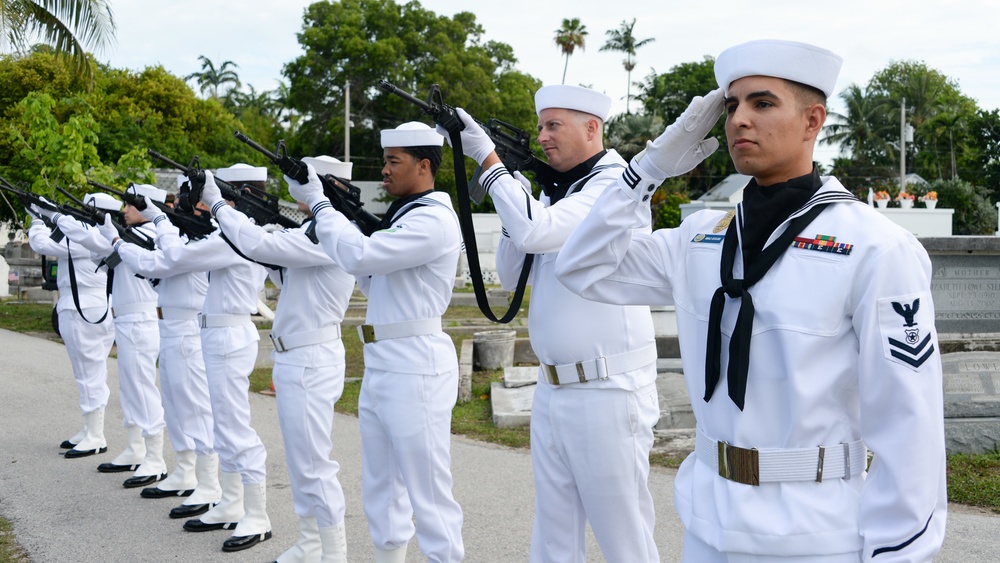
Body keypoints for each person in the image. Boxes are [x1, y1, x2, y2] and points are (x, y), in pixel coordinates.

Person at [554, 39, 948, 562]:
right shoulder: (697, 237)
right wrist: (647, 169)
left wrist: (897, 553)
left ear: (813, 121)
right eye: (732, 105)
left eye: (762, 104)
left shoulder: (875, 247)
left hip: (816, 534)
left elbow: (909, 423)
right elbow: (579, 267)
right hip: (708, 526)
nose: (739, 119)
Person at [445, 86, 661, 563]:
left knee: (624, 537)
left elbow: (536, 231)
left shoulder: (614, 186)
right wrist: (517, 190)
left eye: (553, 125)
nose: (542, 136)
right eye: (540, 126)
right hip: (554, 388)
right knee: (554, 532)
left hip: (607, 387)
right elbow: (509, 269)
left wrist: (489, 161)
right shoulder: (555, 194)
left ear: (592, 128)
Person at [287, 122, 464, 563]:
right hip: (384, 360)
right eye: (385, 160)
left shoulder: (434, 219)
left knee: (428, 491)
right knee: (382, 486)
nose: (384, 170)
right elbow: (369, 277)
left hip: (416, 364)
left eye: (393, 161)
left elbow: (363, 256)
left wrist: (322, 205)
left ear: (424, 166)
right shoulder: (404, 215)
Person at [202, 155, 356, 562]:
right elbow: (282, 270)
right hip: (298, 356)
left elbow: (258, 245)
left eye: (305, 180)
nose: (295, 185)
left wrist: (216, 203)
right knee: (301, 461)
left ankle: (334, 553)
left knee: (314, 465)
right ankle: (310, 541)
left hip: (311, 358)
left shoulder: (332, 232)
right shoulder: (314, 229)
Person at [111, 164, 270, 553]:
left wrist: (159, 220)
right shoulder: (228, 234)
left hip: (227, 333)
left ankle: (257, 514)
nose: (200, 206)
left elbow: (177, 258)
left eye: (209, 197)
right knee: (220, 425)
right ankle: (231, 501)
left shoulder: (236, 237)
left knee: (232, 427)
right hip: (215, 332)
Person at [112, 179, 220, 520]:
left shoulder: (202, 240)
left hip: (189, 327)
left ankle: (209, 483)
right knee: (175, 405)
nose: (186, 208)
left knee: (195, 407)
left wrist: (117, 242)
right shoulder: (182, 237)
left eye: (194, 202)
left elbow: (155, 264)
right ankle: (185, 470)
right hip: (169, 325)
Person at [49, 189, 169, 490]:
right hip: (126, 320)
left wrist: (59, 219)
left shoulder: (153, 234)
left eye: (131, 205)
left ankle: (155, 457)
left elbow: (100, 244)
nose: (124, 209)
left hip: (141, 320)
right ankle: (135, 447)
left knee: (142, 388)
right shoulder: (129, 234)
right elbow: (94, 243)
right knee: (129, 388)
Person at [27, 195, 116, 460]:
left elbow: (41, 243)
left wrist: (37, 218)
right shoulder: (90, 235)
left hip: (84, 308)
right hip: (85, 306)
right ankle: (90, 428)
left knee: (89, 372)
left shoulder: (91, 236)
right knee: (87, 371)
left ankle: (95, 435)